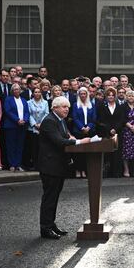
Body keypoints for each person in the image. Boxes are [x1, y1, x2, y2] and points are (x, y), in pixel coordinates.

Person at [37, 96, 91, 240]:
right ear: (54, 108)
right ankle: (45, 228)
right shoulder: (49, 121)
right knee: (49, 197)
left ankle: (51, 224)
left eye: (67, 107)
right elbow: (59, 141)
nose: (67, 109)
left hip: (58, 165)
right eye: (63, 107)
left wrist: (72, 137)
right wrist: (79, 141)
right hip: (50, 166)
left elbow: (66, 135)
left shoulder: (60, 120)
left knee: (54, 197)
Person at [97, 86, 124, 177]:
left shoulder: (120, 107)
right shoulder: (102, 106)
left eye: (112, 95)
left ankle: (116, 172)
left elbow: (121, 120)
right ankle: (107, 173)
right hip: (106, 133)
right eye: (109, 95)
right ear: (106, 96)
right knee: (107, 153)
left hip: (118, 132)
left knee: (117, 153)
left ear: (115, 96)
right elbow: (101, 120)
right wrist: (109, 129)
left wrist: (115, 129)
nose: (111, 97)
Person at [3, 83, 30, 172]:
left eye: (18, 89)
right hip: (11, 125)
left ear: (20, 91)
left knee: (20, 145)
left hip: (22, 126)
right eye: (14, 89)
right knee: (11, 145)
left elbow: (27, 112)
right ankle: (12, 164)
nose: (16, 91)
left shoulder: (24, 100)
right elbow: (8, 111)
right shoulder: (8, 99)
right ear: (12, 91)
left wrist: (24, 120)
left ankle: (18, 164)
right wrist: (17, 120)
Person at [27, 87, 50, 171]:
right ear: (33, 93)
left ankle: (42, 165)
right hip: (32, 127)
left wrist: (41, 124)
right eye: (35, 92)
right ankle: (34, 164)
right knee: (33, 147)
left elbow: (47, 113)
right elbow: (28, 114)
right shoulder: (29, 102)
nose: (37, 93)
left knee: (42, 147)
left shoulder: (45, 102)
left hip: (42, 128)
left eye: (39, 92)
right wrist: (35, 124)